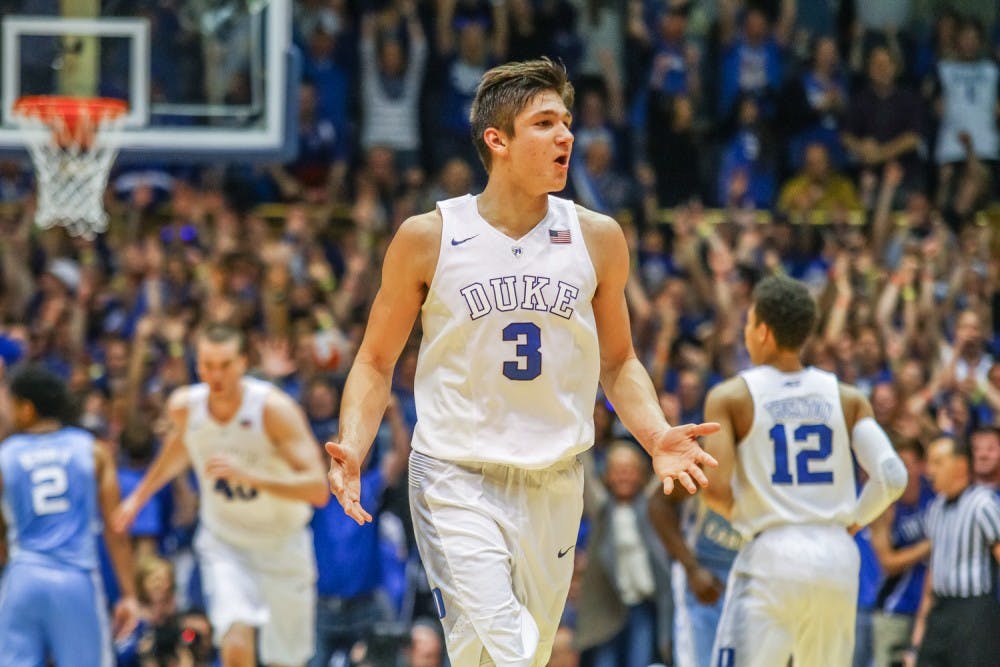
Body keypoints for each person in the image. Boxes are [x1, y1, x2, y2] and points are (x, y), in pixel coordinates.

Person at [325, 57, 719, 667]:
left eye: (566, 122)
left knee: (503, 658)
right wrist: (354, 443)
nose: (567, 136)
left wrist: (657, 434)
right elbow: (375, 361)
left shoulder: (598, 237)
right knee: (509, 650)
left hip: (555, 482)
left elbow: (618, 362)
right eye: (545, 124)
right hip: (456, 475)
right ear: (498, 140)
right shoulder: (428, 237)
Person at [700, 275, 907, 666]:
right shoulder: (847, 397)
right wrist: (854, 522)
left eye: (748, 324)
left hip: (771, 551)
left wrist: (745, 517)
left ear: (763, 331)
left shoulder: (730, 397)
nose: (746, 332)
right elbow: (892, 477)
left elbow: (715, 489)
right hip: (837, 555)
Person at [113, 324, 329, 667]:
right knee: (234, 640)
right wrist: (137, 498)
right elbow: (178, 451)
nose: (216, 375)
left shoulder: (273, 410)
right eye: (207, 365)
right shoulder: (186, 407)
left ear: (243, 362)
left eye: (225, 365)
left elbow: (318, 489)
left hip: (282, 544)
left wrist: (251, 477)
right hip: (226, 543)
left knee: (285, 661)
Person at [0, 365, 140, 666]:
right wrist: (128, 593)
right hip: (76, 579)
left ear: (27, 409)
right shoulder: (92, 450)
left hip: (23, 575)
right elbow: (116, 529)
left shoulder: (5, 454)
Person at [906, 436, 1000, 667]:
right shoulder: (935, 508)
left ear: (960, 465)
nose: (929, 470)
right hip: (940, 611)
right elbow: (932, 574)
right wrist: (917, 636)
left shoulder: (983, 504)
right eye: (929, 463)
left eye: (938, 462)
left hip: (974, 612)